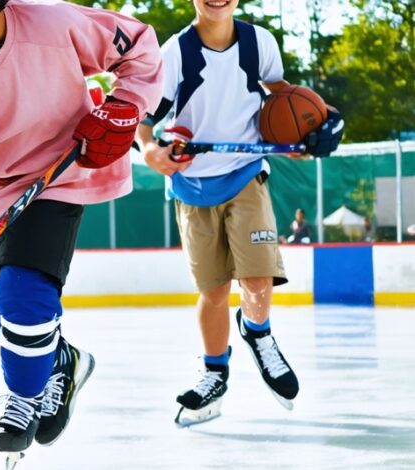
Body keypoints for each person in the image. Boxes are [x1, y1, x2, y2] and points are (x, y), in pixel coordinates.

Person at [0, 0, 162, 460]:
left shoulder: (54, 22)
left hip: (61, 171)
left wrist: (127, 105)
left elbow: (140, 45)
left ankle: (22, 399)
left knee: (23, 294)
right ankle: (60, 358)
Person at [136, 0, 343, 426]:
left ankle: (258, 333)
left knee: (257, 277)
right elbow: (145, 122)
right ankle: (214, 371)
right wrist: (151, 151)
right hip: (191, 185)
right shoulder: (175, 53)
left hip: (246, 172)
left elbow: (284, 100)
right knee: (213, 292)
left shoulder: (258, 43)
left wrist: (313, 130)